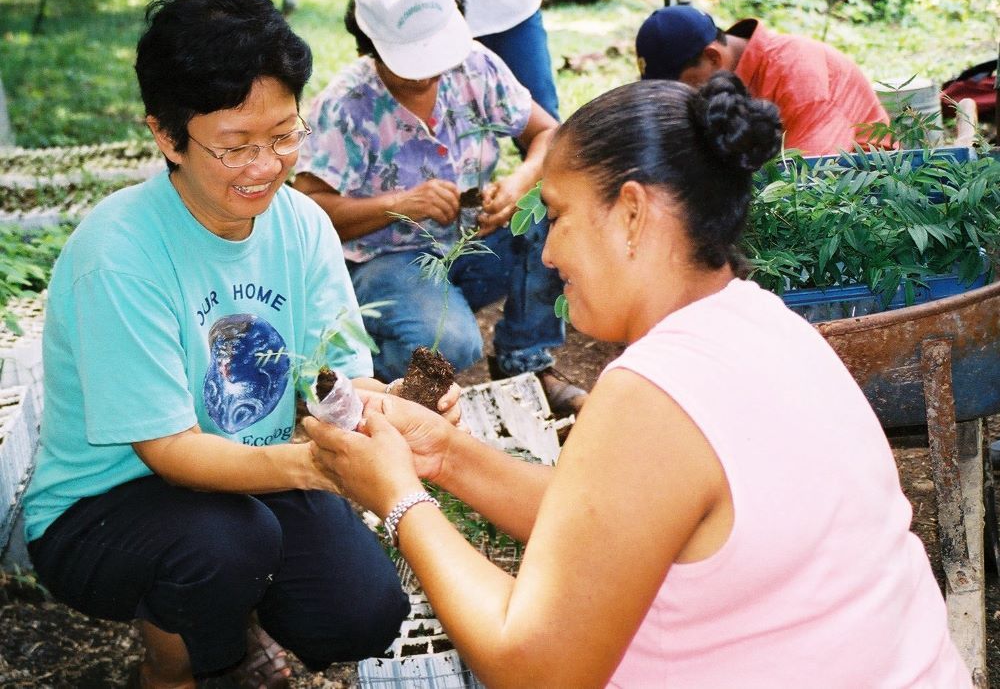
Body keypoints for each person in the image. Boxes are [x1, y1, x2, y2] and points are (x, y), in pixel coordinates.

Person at [302, 72, 971, 686]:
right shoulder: (763, 323)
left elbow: (533, 665)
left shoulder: (653, 393)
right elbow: (610, 522)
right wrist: (443, 455)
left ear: (631, 212)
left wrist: (396, 497)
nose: (551, 249)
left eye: (559, 215)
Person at [20, 0, 436, 689]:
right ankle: (172, 663)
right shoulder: (119, 254)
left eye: (283, 135)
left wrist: (391, 407)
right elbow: (172, 451)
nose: (265, 167)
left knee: (363, 611)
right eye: (235, 145)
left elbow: (330, 381)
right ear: (166, 135)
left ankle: (228, 612)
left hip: (249, 477)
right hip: (104, 508)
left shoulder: (302, 224)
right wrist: (320, 467)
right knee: (226, 543)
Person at [293, 0, 586, 415]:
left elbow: (551, 135)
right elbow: (308, 210)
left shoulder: (475, 66)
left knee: (553, 214)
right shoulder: (346, 106)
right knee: (451, 345)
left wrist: (516, 185)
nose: (429, 72)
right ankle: (347, 379)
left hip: (472, 240)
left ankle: (523, 359)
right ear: (370, 45)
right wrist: (403, 203)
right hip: (385, 259)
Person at [635, 5, 891, 156]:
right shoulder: (728, 77)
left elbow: (812, 187)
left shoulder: (798, 78)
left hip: (865, 195)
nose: (683, 97)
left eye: (684, 86)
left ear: (712, 57)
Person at [370, 0, 560, 120]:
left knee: (544, 121)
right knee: (409, 124)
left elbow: (545, 133)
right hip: (423, 8)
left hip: (510, 3)